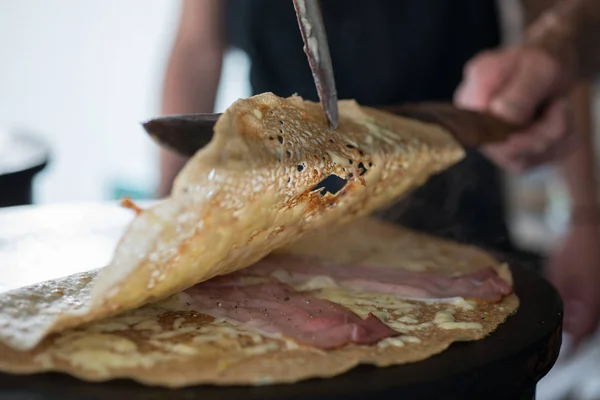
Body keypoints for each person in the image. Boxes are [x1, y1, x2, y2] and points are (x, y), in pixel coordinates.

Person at [157, 0, 600, 346]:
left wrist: (584, 216)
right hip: (282, 226)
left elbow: (552, 43)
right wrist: (164, 207)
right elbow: (198, 46)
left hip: (454, 214)